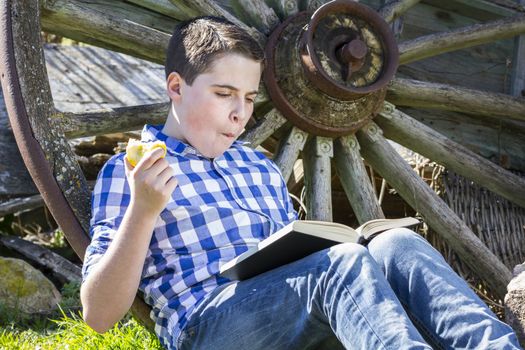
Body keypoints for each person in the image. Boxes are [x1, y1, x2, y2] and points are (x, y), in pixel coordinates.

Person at [80, 16, 521, 350]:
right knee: (340, 264)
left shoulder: (259, 167)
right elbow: (98, 314)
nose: (240, 113)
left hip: (289, 309)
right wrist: (143, 210)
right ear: (176, 86)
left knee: (395, 246)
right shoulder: (132, 171)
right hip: (209, 323)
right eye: (223, 94)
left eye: (250, 98)